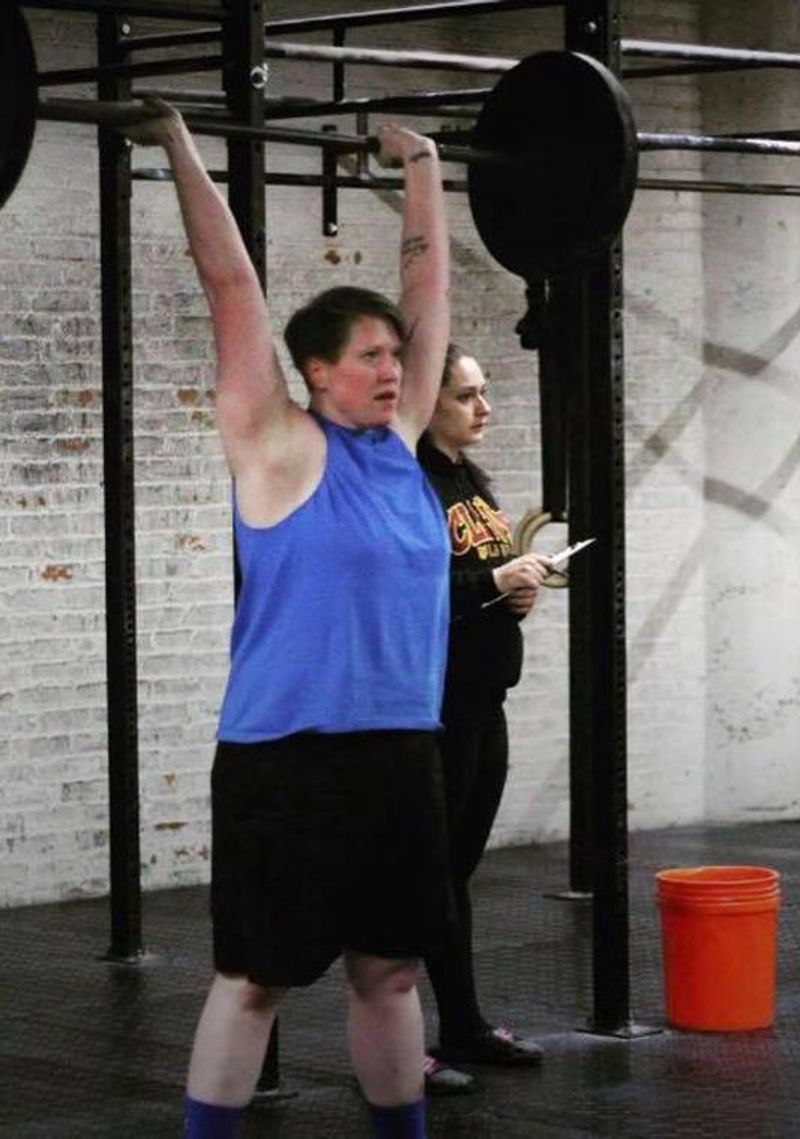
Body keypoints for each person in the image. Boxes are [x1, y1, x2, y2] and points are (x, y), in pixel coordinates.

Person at [120, 99, 452, 1139]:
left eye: (395, 354)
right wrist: (176, 143)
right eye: (367, 355)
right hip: (286, 755)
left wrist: (424, 163)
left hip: (399, 748)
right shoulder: (275, 443)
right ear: (314, 370)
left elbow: (427, 286)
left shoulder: (399, 444)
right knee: (256, 980)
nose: (392, 367)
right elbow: (230, 284)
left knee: (392, 974)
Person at [416, 345, 552, 1095]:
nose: (483, 406)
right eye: (466, 394)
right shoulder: (411, 479)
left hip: (482, 699)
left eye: (483, 390)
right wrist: (488, 582)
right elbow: (408, 587)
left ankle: (462, 1022)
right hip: (437, 706)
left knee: (455, 874)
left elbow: (472, 577)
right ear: (427, 400)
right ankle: (408, 1039)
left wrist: (514, 589)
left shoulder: (469, 478)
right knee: (427, 877)